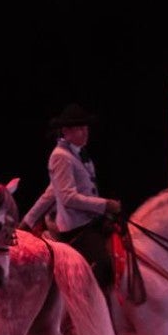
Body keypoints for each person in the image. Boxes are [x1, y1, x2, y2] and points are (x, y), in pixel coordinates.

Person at [43, 103, 122, 289]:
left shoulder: (78, 154)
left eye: (85, 127)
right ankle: (91, 305)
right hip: (76, 227)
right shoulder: (61, 156)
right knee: (102, 263)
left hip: (91, 221)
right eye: (79, 128)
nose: (85, 132)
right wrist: (105, 204)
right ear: (66, 131)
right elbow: (67, 198)